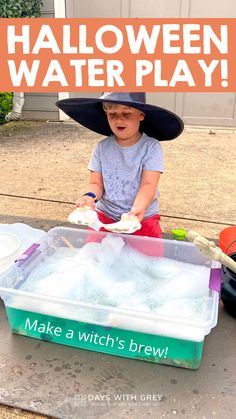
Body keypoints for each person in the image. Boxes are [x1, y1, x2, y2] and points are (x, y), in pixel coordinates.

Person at [56, 92, 184, 238]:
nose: (119, 120)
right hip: (105, 214)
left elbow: (148, 184)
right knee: (95, 255)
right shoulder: (101, 148)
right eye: (112, 114)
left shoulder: (151, 147)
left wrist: (137, 209)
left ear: (141, 115)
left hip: (142, 216)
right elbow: (96, 183)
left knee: (148, 259)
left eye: (127, 114)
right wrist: (89, 196)